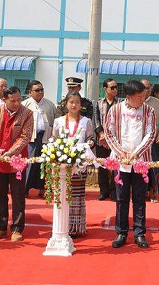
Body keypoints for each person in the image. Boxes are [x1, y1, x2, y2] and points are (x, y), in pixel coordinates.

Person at [103, 80, 157, 249]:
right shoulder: (116, 110)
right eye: (140, 96)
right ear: (129, 96)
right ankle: (121, 232)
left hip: (140, 160)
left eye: (144, 95)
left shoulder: (149, 111)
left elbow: (151, 133)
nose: (143, 98)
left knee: (140, 198)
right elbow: (109, 132)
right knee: (121, 197)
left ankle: (140, 233)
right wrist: (121, 152)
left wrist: (136, 153)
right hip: (121, 161)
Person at [0, 86, 33, 242]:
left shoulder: (27, 113)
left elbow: (25, 137)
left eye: (19, 100)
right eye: (13, 101)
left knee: (18, 195)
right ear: (4, 99)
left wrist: (10, 153)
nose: (17, 103)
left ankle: (17, 228)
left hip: (17, 161)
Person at [52, 92, 96, 237]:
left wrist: (90, 142)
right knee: (63, 192)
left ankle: (76, 227)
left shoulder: (86, 121)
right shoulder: (58, 121)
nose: (74, 105)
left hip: (79, 162)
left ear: (81, 105)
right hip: (62, 162)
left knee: (77, 194)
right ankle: (62, 225)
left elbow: (90, 137)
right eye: (71, 102)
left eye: (77, 102)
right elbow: (54, 139)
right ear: (66, 104)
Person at [23, 80, 57, 198]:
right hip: (31, 138)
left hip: (45, 137)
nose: (40, 92)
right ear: (30, 92)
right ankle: (25, 189)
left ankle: (43, 188)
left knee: (44, 163)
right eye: (37, 90)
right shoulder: (25, 104)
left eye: (42, 90)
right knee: (30, 163)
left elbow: (54, 121)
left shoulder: (50, 104)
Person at [96, 78, 118, 201]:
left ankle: (114, 191)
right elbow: (96, 119)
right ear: (105, 89)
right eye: (112, 87)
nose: (115, 90)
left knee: (115, 167)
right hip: (101, 140)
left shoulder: (120, 104)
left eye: (116, 87)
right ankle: (104, 191)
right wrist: (101, 134)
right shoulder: (99, 103)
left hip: (115, 142)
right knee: (102, 167)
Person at [142, 79, 159, 203]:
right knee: (141, 167)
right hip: (139, 142)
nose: (147, 90)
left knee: (154, 167)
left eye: (149, 87)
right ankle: (141, 191)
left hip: (154, 140)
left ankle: (153, 192)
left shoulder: (157, 103)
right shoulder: (136, 101)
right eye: (144, 88)